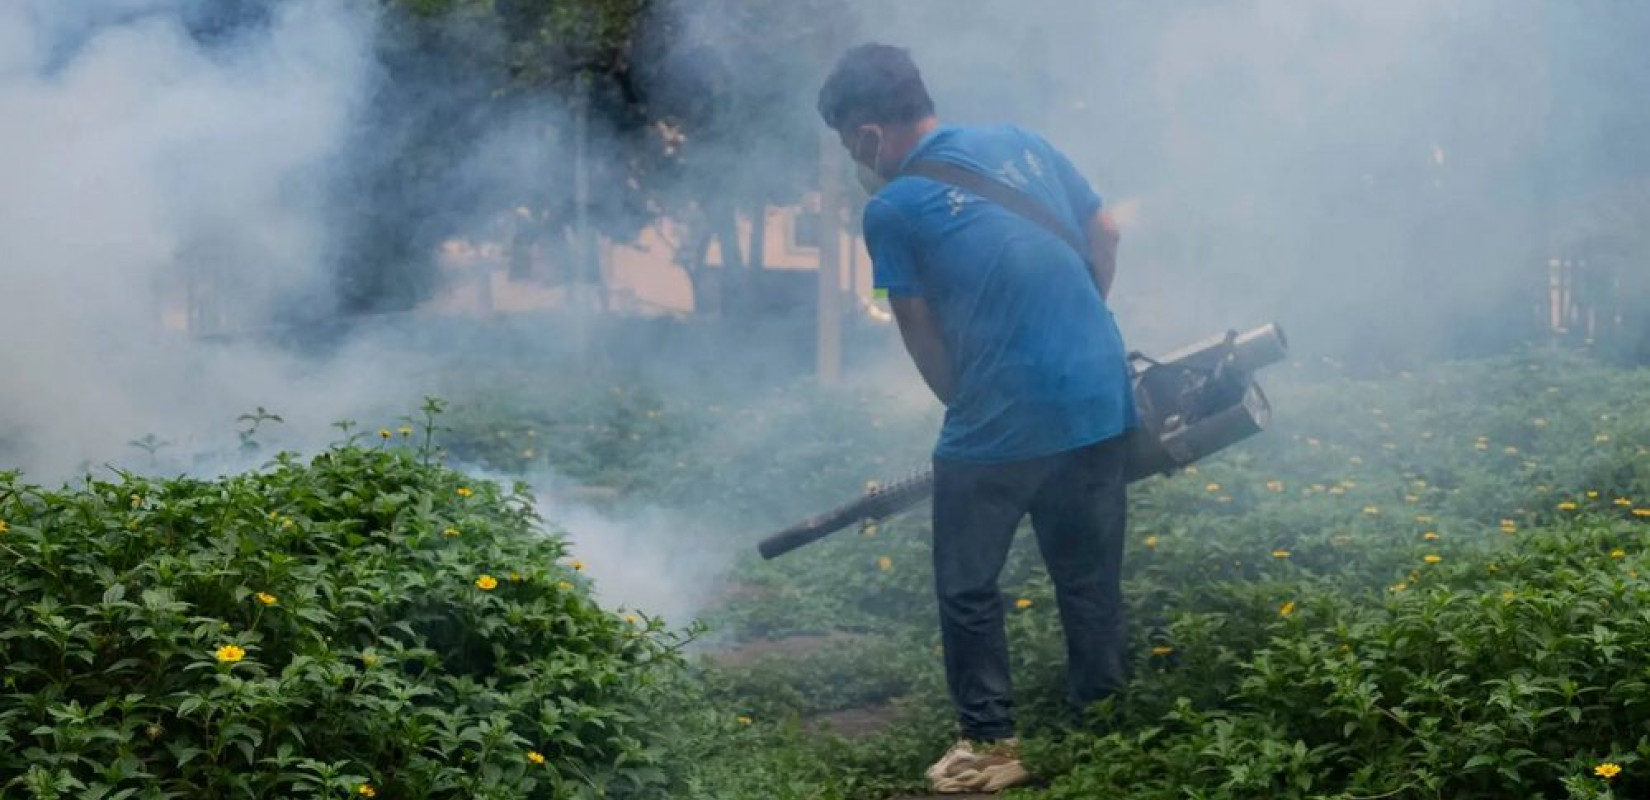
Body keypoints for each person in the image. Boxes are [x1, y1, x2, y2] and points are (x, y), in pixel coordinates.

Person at [816, 44, 1137, 794]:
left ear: (867, 133)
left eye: (845, 144)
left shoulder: (891, 206)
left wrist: (966, 404)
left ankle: (990, 746)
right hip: (1100, 392)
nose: (850, 159)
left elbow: (916, 326)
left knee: (967, 586)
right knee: (1088, 577)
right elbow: (1108, 231)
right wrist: (1079, 327)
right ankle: (1106, 723)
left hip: (1000, 417)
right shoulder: (1022, 142)